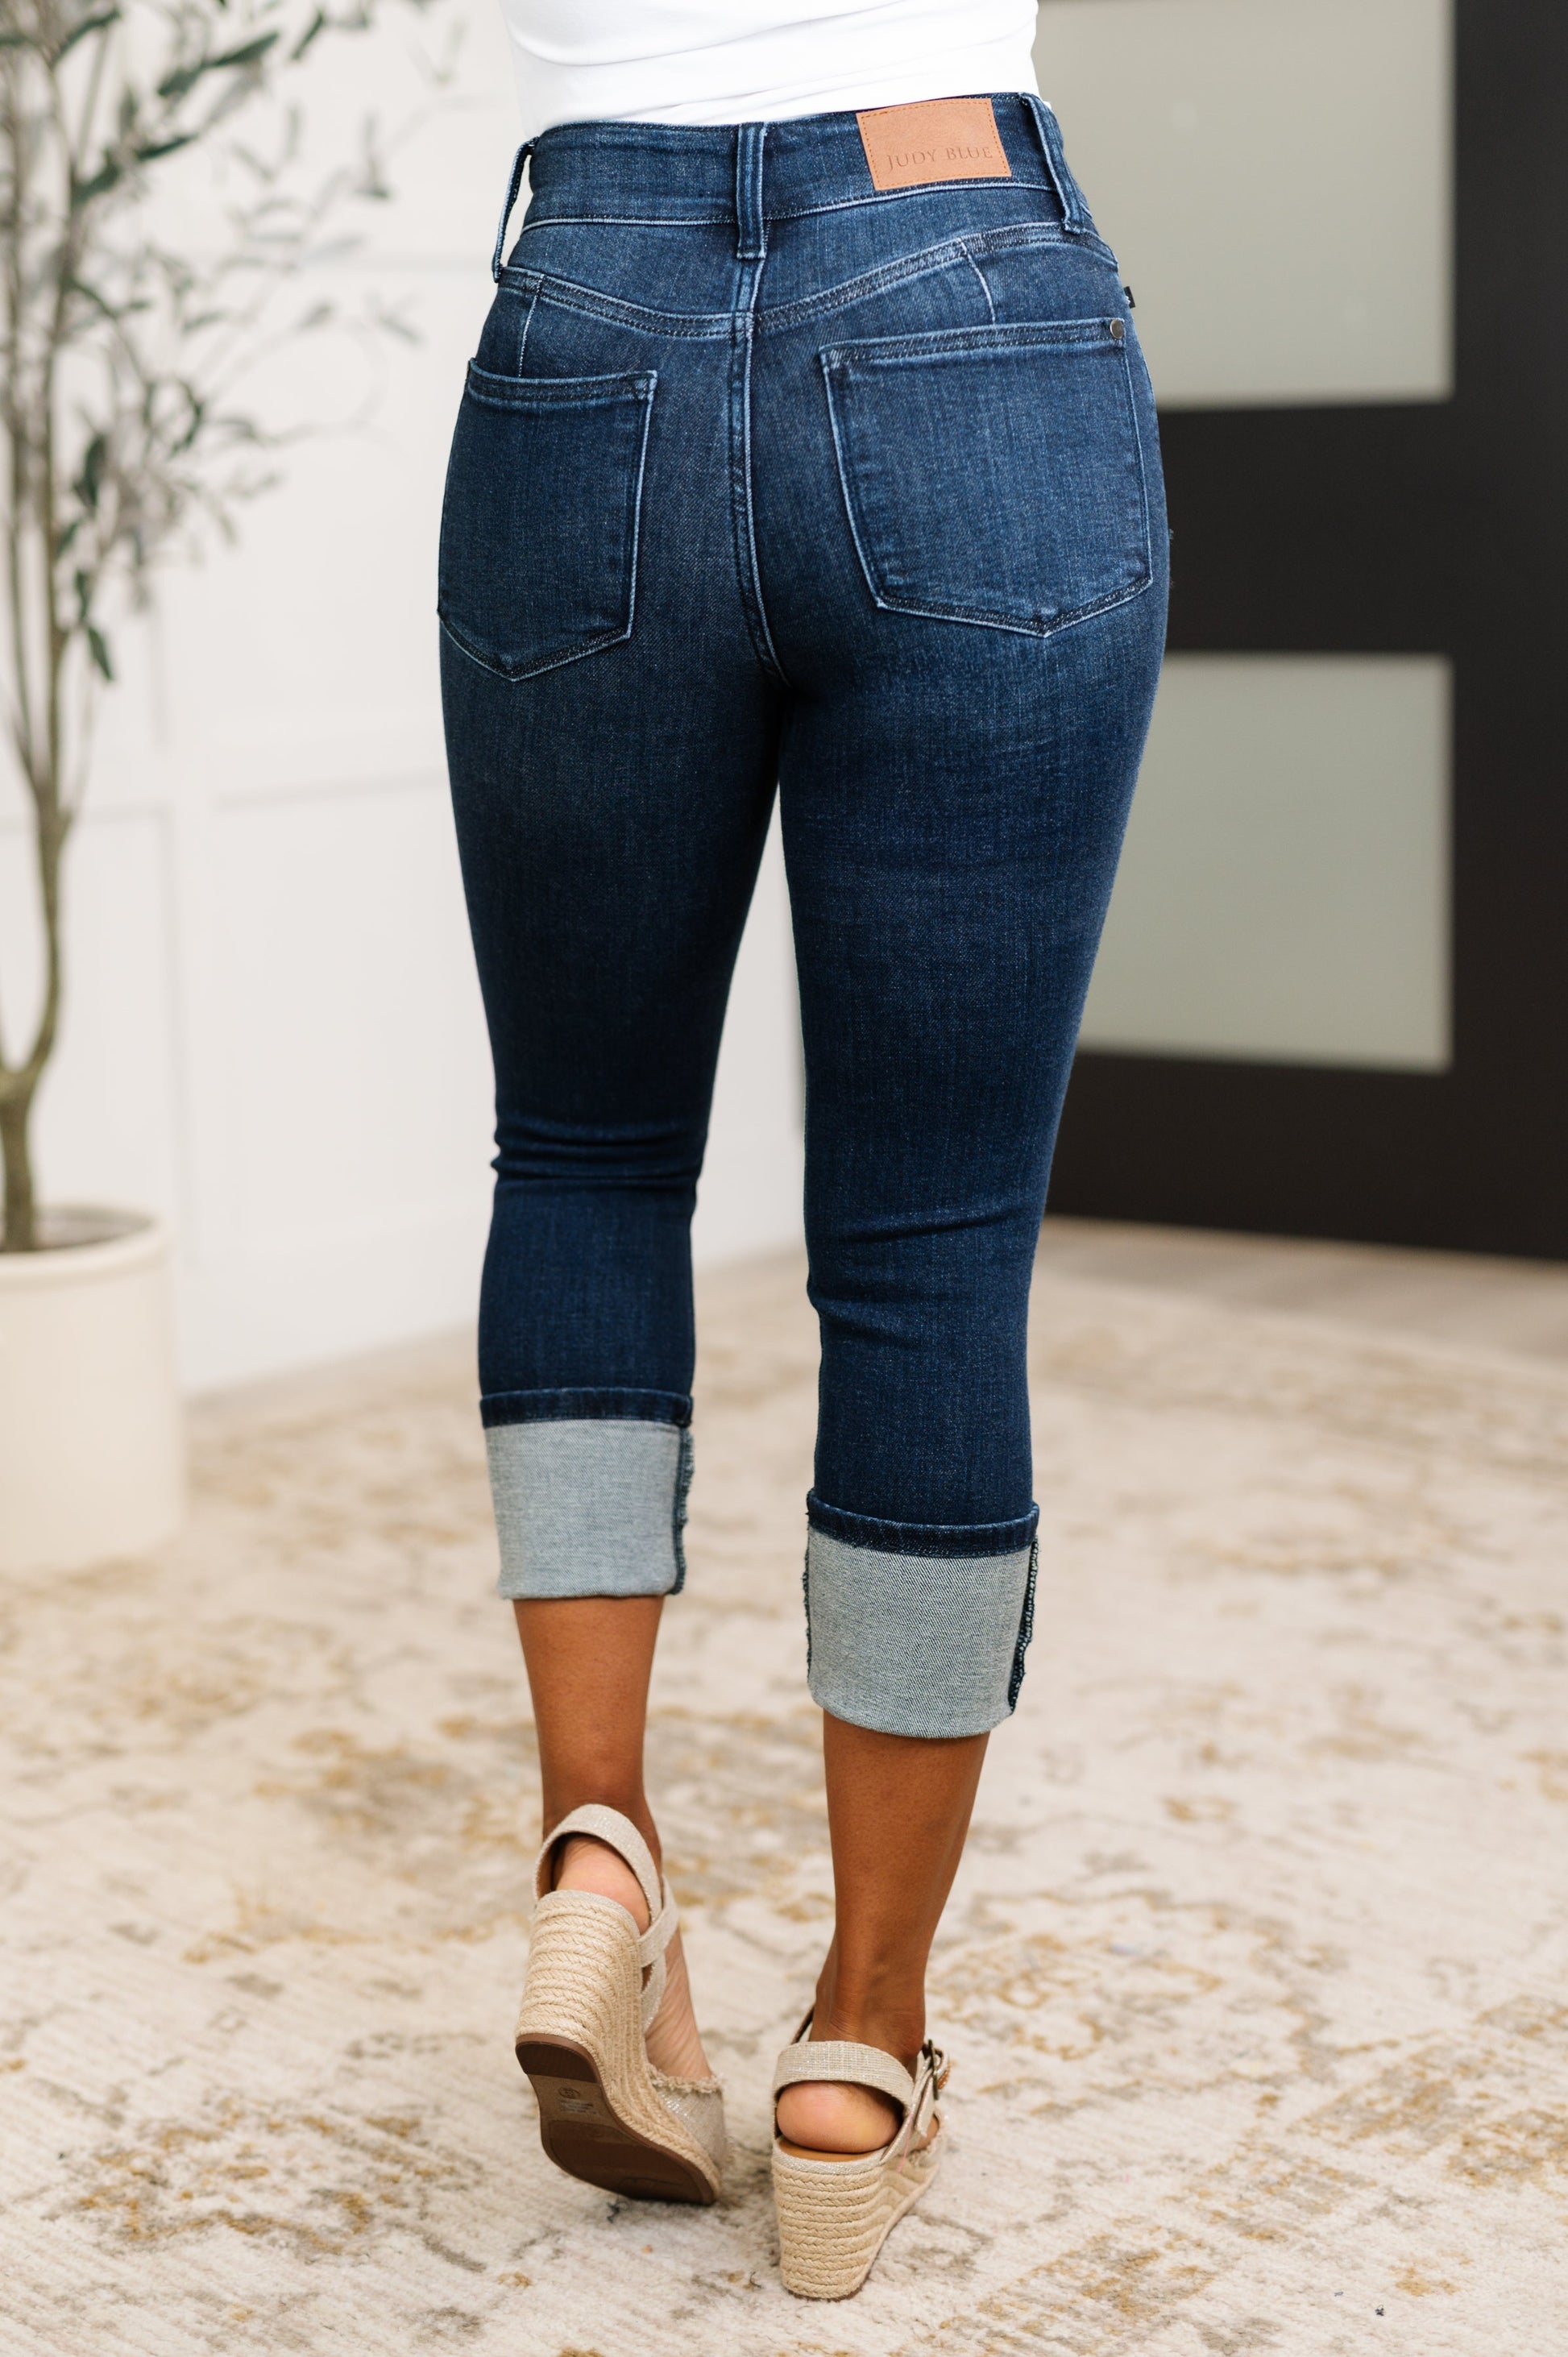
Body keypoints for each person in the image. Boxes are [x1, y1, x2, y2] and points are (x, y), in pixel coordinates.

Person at [438, 0, 1167, 2301]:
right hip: (969, 290)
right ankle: (858, 2049)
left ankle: (600, 1855)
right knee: (932, 1249)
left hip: (592, 307)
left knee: (581, 1157)